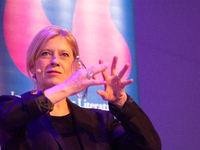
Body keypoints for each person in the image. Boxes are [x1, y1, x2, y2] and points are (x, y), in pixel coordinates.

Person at [0, 26, 161, 150]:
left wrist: (122, 102)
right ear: (32, 66)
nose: (55, 60)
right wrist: (67, 87)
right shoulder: (11, 110)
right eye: (46, 53)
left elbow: (149, 147)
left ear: (75, 68)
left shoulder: (102, 121)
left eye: (64, 54)